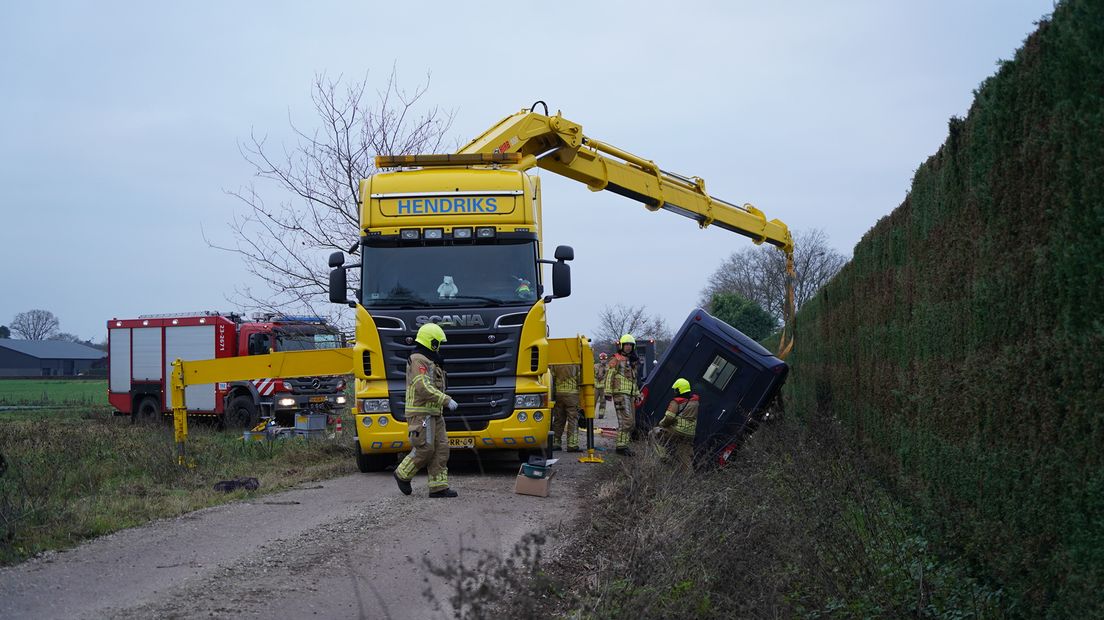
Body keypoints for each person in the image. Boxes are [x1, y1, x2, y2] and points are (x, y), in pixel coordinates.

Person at [394, 323, 460, 498]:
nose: (439, 347)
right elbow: (422, 386)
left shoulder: (431, 360)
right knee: (425, 448)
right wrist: (446, 400)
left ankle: (438, 487)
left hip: (434, 413)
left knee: (441, 448)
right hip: (420, 413)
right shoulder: (418, 359)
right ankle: (402, 474)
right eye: (438, 343)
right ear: (431, 342)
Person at [603, 334, 640, 455]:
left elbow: (634, 380)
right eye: (626, 345)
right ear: (622, 346)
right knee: (626, 421)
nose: (628, 347)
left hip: (630, 395)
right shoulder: (616, 359)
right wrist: (607, 391)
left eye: (630, 345)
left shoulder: (632, 361)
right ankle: (621, 447)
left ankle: (623, 445)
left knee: (632, 423)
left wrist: (637, 394)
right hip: (619, 393)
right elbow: (609, 375)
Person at [655, 378, 699, 470]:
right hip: (690, 434)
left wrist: (661, 424)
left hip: (677, 431)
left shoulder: (676, 402)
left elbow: (669, 418)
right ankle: (687, 479)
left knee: (654, 433)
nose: (674, 392)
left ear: (679, 390)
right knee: (685, 457)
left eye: (676, 389)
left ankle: (664, 458)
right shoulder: (695, 402)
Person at [549, 363, 581, 451]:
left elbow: (551, 379)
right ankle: (572, 444)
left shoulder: (556, 363)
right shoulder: (576, 363)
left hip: (559, 394)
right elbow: (580, 379)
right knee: (572, 419)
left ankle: (556, 443)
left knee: (559, 419)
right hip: (572, 395)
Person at [593, 352, 608, 418]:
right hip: (596, 387)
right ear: (600, 359)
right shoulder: (595, 366)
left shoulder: (608, 367)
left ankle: (601, 415)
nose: (603, 360)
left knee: (603, 402)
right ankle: (591, 415)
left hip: (604, 388)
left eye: (604, 359)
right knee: (593, 401)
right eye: (602, 359)